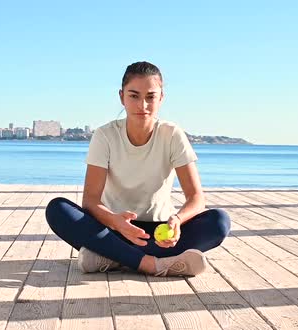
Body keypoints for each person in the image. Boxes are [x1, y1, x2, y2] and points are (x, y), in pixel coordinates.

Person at [45, 61, 230, 276]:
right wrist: (116, 222)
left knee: (219, 221)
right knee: (57, 209)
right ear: (121, 96)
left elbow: (196, 198)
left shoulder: (172, 134)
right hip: (113, 230)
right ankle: (152, 264)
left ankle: (114, 258)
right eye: (134, 96)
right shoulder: (105, 135)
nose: (142, 105)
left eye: (150, 97)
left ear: (161, 98)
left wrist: (178, 221)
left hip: (160, 234)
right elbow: (91, 201)